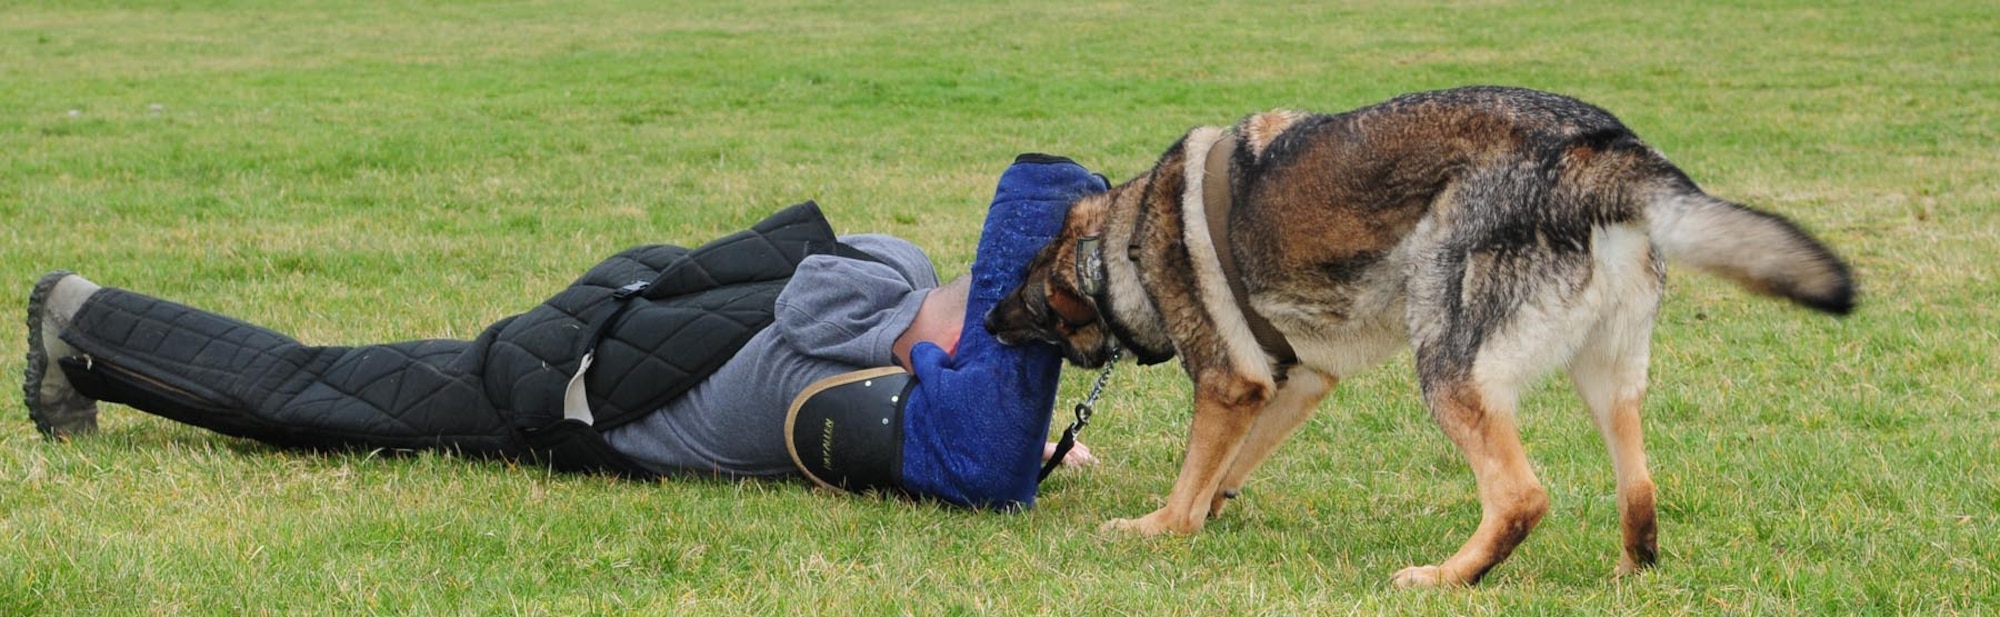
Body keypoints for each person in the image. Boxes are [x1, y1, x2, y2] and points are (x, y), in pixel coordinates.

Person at [21, 154, 1107, 510]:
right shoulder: (867, 296)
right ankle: (82, 321)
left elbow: (956, 416)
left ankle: (91, 331)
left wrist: (1035, 442)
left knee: (334, 383)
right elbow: (945, 410)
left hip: (605, 341)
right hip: (562, 386)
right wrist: (938, 351)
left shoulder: (900, 302)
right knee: (318, 396)